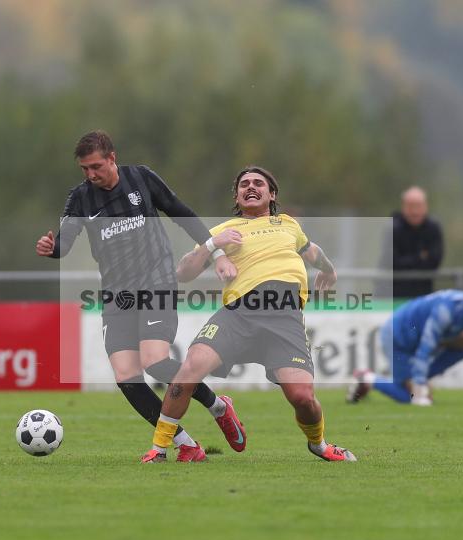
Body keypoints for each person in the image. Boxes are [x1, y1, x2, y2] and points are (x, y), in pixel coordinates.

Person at [35, 130, 247, 462]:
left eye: (96, 166)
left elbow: (181, 212)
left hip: (157, 283)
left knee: (156, 363)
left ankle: (218, 406)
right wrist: (51, 249)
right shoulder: (80, 198)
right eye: (84, 169)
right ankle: (186, 444)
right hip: (116, 295)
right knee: (126, 377)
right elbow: (64, 243)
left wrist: (216, 254)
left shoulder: (141, 178)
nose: (90, 175)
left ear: (112, 158)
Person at [140, 165, 357, 463]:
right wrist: (212, 245)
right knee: (187, 372)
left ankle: (319, 444)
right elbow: (184, 272)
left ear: (272, 194)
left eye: (258, 183)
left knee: (303, 399)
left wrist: (329, 270)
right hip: (238, 313)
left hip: (285, 317)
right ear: (237, 195)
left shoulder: (288, 225)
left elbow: (311, 250)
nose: (250, 187)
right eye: (244, 184)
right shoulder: (221, 232)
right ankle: (159, 448)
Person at [348, 274, 463, 407]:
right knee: (409, 397)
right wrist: (419, 391)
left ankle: (419, 381)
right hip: (397, 337)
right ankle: (367, 378)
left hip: (419, 337)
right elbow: (426, 347)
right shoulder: (447, 309)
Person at [390, 186, 444, 298]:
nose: (415, 211)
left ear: (426, 206)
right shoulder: (392, 227)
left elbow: (434, 261)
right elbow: (392, 262)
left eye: (418, 206)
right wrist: (420, 257)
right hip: (394, 295)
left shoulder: (433, 228)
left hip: (424, 294)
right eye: (411, 206)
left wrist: (406, 260)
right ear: (403, 207)